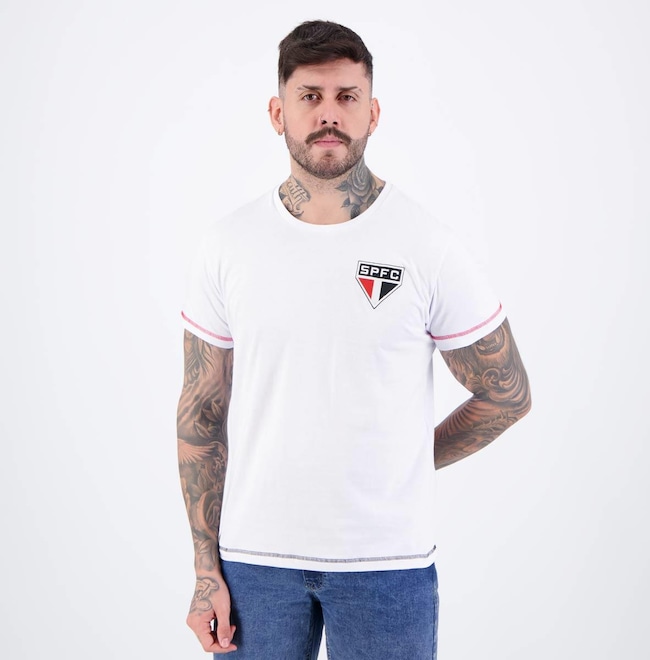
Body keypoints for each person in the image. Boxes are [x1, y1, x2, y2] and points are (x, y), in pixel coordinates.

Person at [177, 19, 531, 659]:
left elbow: (507, 394)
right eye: (310, 96)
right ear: (277, 112)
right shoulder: (227, 246)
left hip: (386, 563)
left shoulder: (426, 245)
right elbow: (201, 412)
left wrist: (408, 459)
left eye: (346, 97)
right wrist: (207, 572)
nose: (328, 115)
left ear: (373, 112)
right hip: (254, 562)